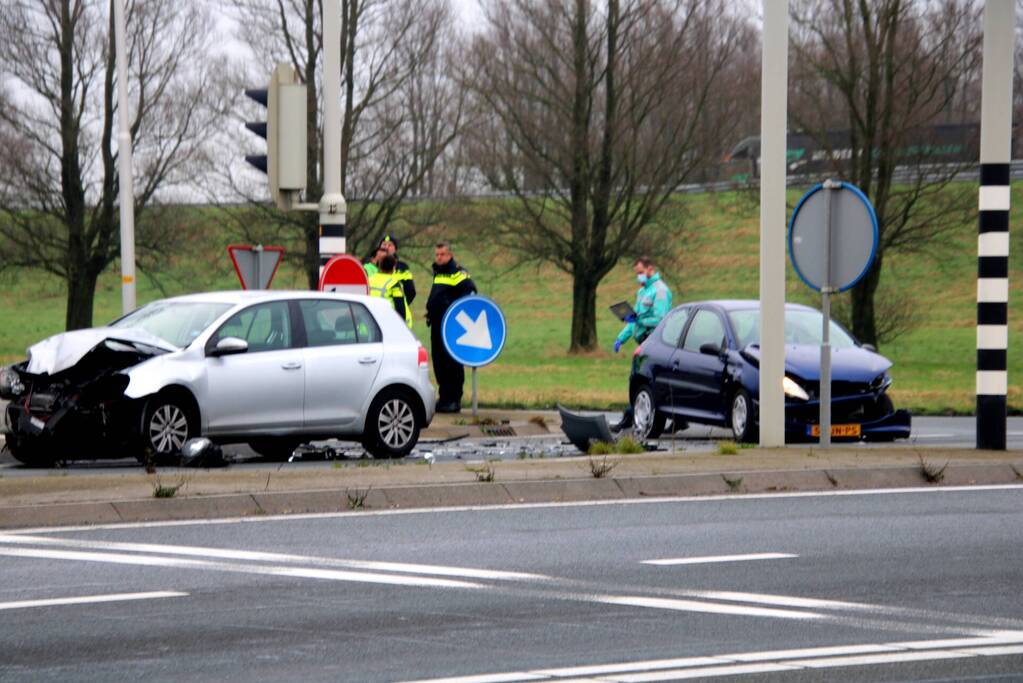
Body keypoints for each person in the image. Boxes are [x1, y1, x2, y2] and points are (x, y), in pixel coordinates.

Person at [612, 256, 673, 430]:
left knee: (639, 379)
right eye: (637, 273)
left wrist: (638, 320)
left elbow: (660, 320)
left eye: (640, 272)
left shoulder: (660, 291)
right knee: (644, 380)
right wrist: (620, 338)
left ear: (650, 269)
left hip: (654, 343)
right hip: (643, 341)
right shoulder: (642, 292)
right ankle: (679, 420)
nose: (638, 276)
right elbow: (634, 322)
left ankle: (629, 418)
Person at [425, 242, 476, 413]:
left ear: (450, 255)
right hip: (437, 323)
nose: (439, 257)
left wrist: (449, 307)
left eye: (442, 254)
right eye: (437, 254)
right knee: (439, 363)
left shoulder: (458, 273)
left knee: (451, 363)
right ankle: (445, 398)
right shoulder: (439, 273)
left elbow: (470, 293)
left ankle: (454, 399)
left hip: (450, 326)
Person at [367, 254, 411, 328]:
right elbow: (400, 307)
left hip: (370, 321)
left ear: (379, 266)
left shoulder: (369, 279)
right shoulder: (394, 283)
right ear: (394, 267)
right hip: (388, 322)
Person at [378, 233, 416, 308]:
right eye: (384, 244)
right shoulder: (371, 266)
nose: (386, 247)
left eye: (390, 245)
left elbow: (411, 292)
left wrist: (401, 306)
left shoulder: (402, 268)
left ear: (395, 249)